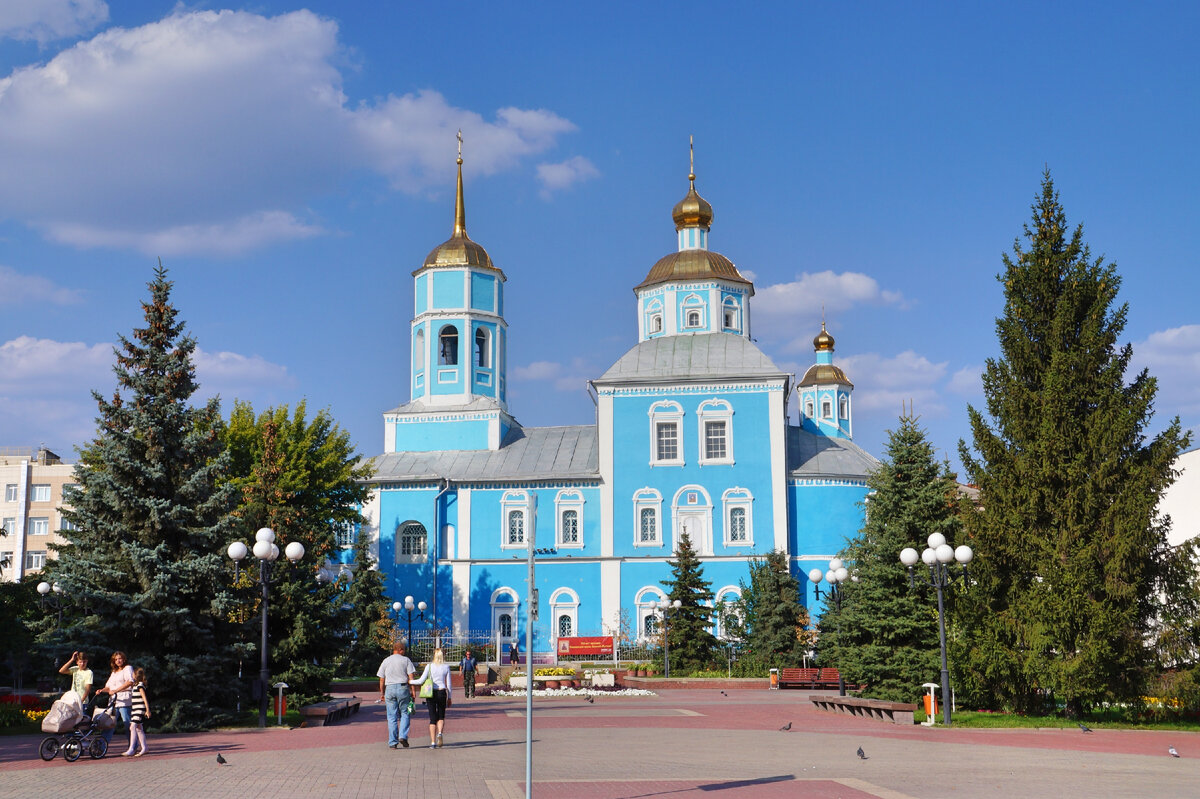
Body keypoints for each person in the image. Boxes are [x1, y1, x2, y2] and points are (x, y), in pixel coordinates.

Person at [376, 640, 416, 749]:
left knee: (391, 716)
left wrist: (382, 693)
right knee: (405, 712)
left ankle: (393, 742)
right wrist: (413, 691)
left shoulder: (386, 661)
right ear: (400, 650)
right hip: (403, 688)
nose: (404, 652)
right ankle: (403, 735)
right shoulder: (406, 660)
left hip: (389, 689)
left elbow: (381, 679)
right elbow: (411, 677)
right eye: (404, 650)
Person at [411, 648, 452, 749]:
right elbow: (449, 684)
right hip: (442, 692)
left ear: (434, 655)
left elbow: (421, 681)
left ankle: (433, 742)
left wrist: (410, 682)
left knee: (433, 718)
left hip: (431, 693)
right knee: (441, 716)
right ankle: (440, 734)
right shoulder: (446, 667)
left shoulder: (429, 666)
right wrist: (449, 697)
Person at [96, 650, 134, 746]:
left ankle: (133, 745)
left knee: (127, 724)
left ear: (124, 659)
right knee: (108, 724)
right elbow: (109, 687)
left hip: (124, 701)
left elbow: (130, 682)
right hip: (113, 701)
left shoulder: (127, 668)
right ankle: (102, 746)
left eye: (120, 658)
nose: (118, 661)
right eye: (116, 659)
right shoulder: (114, 672)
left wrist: (116, 690)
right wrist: (101, 690)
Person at [122, 668, 151, 757]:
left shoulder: (140, 686)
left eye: (133, 674)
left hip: (139, 709)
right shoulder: (135, 686)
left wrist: (147, 710)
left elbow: (144, 698)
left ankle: (131, 748)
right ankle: (144, 747)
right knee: (139, 728)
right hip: (135, 709)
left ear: (136, 676)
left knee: (132, 726)